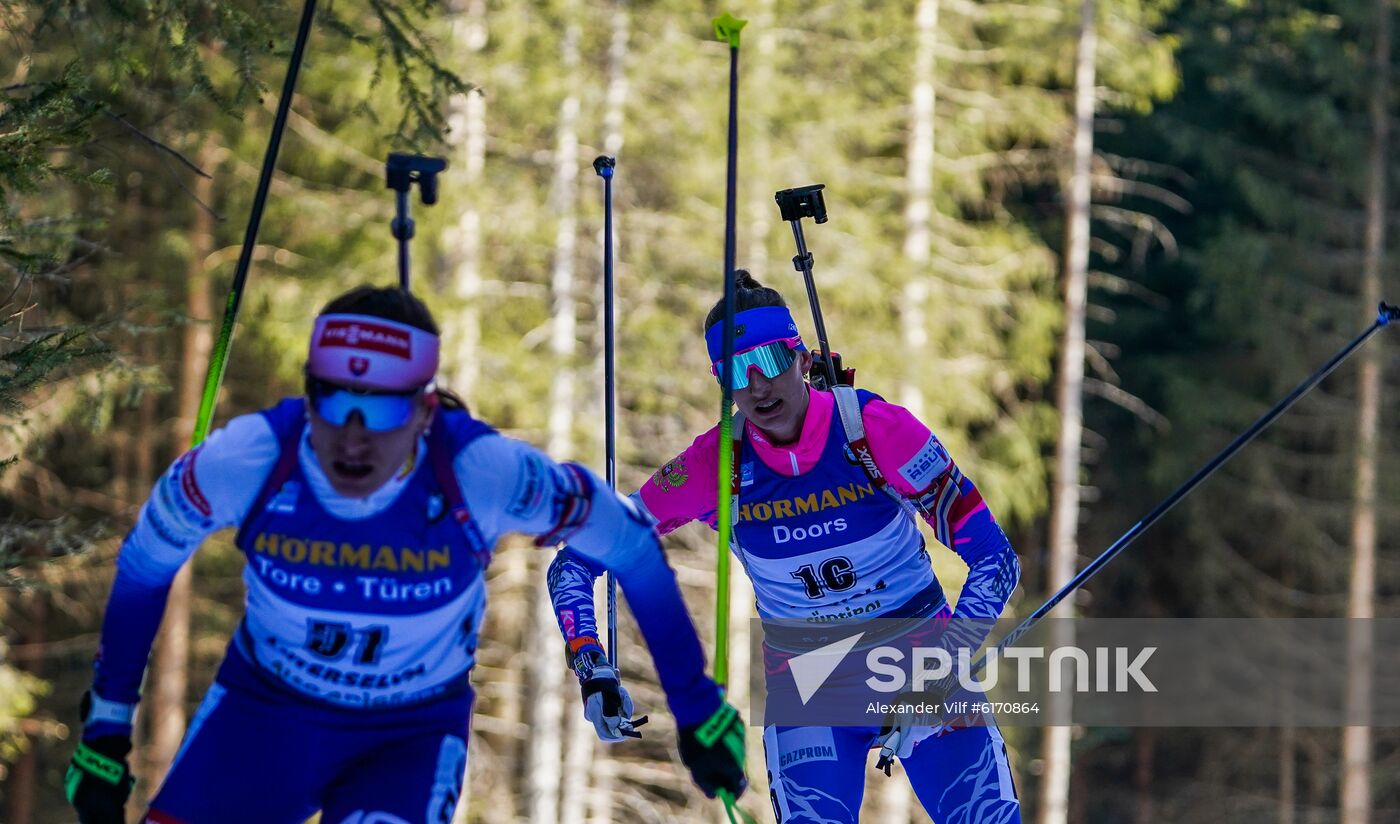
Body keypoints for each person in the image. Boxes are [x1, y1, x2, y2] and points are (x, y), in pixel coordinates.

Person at [64, 285, 747, 824]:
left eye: (384, 413)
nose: (354, 441)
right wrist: (107, 726)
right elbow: (144, 565)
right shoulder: (248, 457)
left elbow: (629, 546)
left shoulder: (483, 469)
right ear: (309, 395)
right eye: (335, 405)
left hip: (406, 734)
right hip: (265, 715)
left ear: (424, 410)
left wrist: (696, 705)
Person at [548, 271, 1022, 824]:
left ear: (801, 358)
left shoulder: (874, 431)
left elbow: (996, 558)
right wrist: (592, 666)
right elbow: (572, 566)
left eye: (770, 360)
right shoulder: (714, 467)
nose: (757, 385)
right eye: (734, 373)